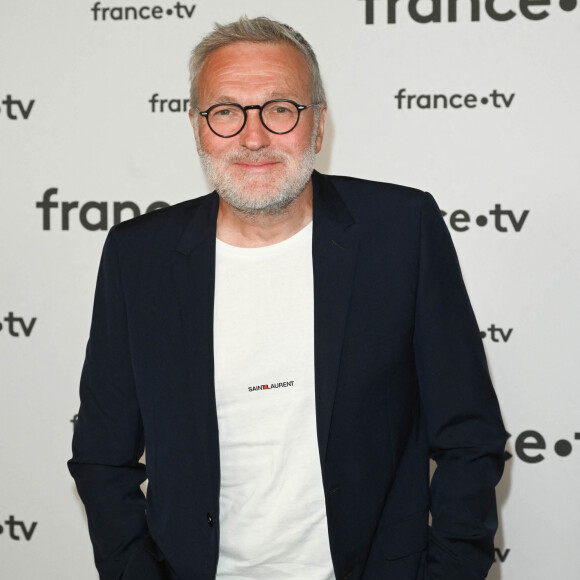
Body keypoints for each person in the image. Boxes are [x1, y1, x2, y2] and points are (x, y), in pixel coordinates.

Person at [68, 16, 506, 580]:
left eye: (280, 109)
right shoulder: (139, 257)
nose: (253, 137)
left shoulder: (402, 231)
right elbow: (103, 456)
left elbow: (469, 437)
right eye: (226, 111)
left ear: (318, 125)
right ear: (198, 128)